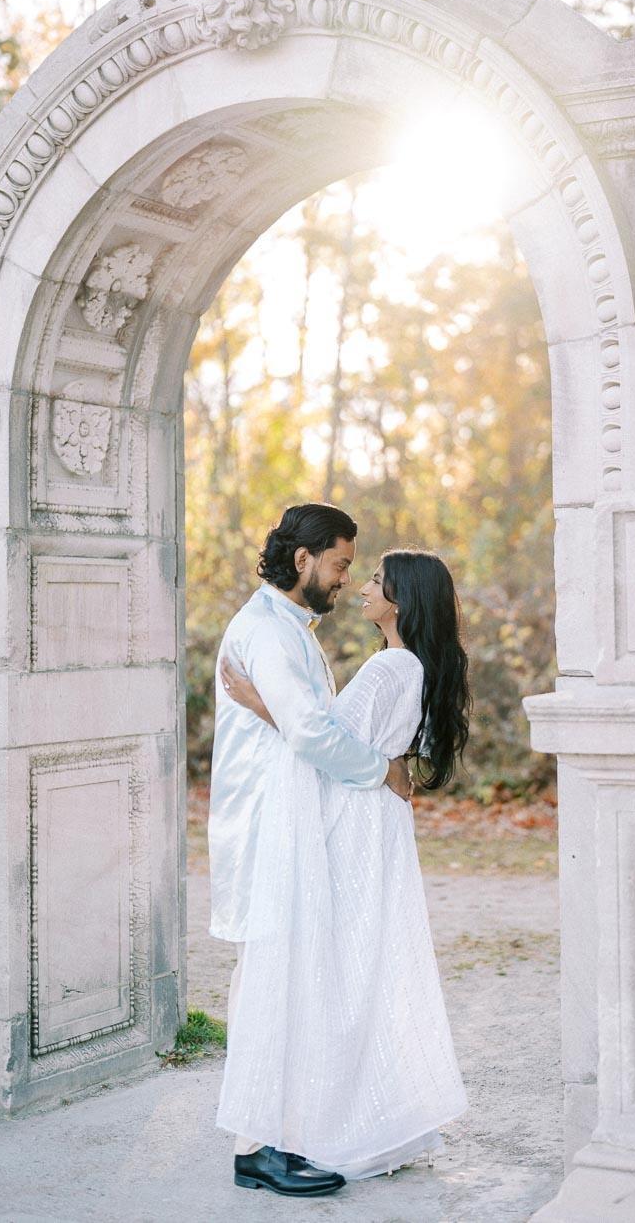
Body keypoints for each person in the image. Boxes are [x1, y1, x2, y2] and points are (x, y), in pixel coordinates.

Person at [217, 545, 472, 1190]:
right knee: (354, 968)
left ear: (402, 600)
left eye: (377, 580)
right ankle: (335, 1115)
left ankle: (309, 1125)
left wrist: (253, 700)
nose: (361, 587)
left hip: (354, 825)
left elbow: (325, 740)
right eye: (355, 572)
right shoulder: (408, 666)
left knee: (333, 969)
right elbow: (346, 740)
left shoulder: (392, 669)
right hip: (372, 821)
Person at [209, 503, 412, 1198]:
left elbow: (311, 723)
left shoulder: (289, 628)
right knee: (267, 981)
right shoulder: (265, 631)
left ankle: (271, 1137)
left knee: (275, 980)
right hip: (269, 826)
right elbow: (311, 732)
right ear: (304, 560)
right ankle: (260, 1146)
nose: (343, 579)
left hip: (288, 821)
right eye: (339, 564)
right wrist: (379, 769)